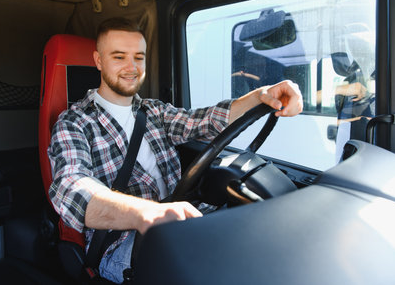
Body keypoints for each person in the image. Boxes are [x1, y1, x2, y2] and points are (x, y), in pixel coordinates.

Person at [48, 17, 303, 284]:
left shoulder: (154, 111)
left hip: (186, 217)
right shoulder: (73, 122)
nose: (131, 67)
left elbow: (206, 120)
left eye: (139, 57)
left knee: (267, 236)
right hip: (122, 243)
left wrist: (262, 95)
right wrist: (146, 213)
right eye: (119, 57)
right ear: (99, 61)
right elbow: (72, 188)